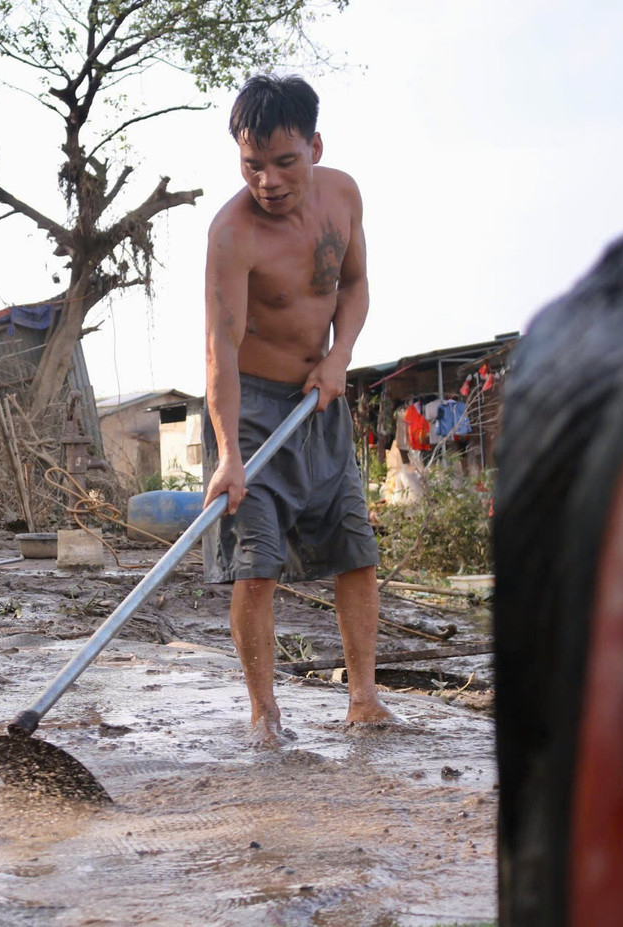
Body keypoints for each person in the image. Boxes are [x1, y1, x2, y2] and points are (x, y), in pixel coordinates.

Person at [202, 73, 393, 746]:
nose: (269, 181)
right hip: (251, 411)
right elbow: (220, 351)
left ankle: (363, 699)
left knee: (355, 547)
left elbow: (358, 283)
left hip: (322, 402)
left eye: (284, 162)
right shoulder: (232, 234)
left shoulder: (342, 194)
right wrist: (228, 453)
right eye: (252, 165)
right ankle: (265, 715)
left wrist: (340, 356)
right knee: (256, 563)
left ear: (314, 146)